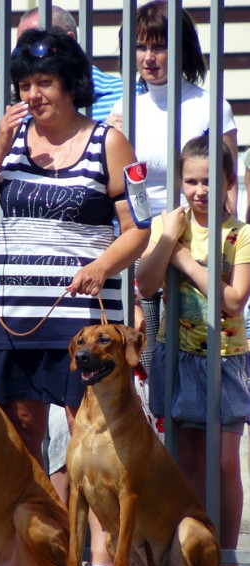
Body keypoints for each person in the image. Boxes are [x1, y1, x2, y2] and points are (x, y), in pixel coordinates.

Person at [0, 28, 150, 566]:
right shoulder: (8, 144)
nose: (33, 94)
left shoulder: (108, 141)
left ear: (71, 86)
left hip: (80, 316)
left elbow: (139, 228)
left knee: (91, 439)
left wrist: (101, 265)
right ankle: (27, 557)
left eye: (44, 83)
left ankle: (101, 563)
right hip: (13, 314)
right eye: (24, 84)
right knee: (18, 436)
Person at [136, 133, 250, 566]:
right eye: (190, 181)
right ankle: (188, 552)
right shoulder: (169, 224)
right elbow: (144, 284)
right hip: (177, 356)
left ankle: (225, 556)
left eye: (209, 182)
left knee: (223, 461)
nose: (199, 191)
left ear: (228, 182)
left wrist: (182, 258)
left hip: (224, 358)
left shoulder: (240, 234)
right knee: (184, 459)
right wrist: (167, 240)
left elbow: (233, 300)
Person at [109, 0, 238, 374]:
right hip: (141, 244)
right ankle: (155, 429)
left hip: (196, 245)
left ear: (181, 49)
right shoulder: (123, 108)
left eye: (159, 46)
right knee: (143, 357)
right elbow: (116, 189)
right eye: (140, 46)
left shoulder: (210, 106)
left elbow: (226, 187)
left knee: (196, 359)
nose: (148, 57)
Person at [17, 5, 122, 123]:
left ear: (70, 41)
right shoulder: (22, 111)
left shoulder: (126, 95)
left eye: (40, 45)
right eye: (22, 47)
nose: (29, 54)